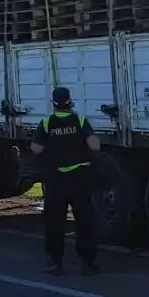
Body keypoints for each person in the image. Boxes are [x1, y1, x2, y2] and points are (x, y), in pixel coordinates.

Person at [30, 87, 101, 276]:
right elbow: (95, 145)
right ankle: (87, 262)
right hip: (79, 179)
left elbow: (36, 149)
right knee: (84, 221)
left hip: (56, 180)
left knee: (54, 222)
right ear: (70, 101)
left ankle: (55, 262)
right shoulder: (80, 121)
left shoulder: (46, 124)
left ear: (54, 104)